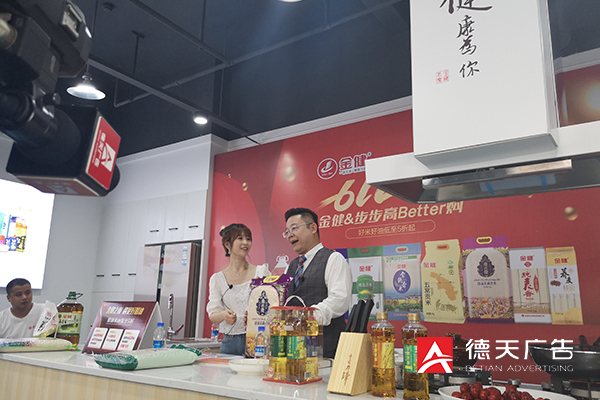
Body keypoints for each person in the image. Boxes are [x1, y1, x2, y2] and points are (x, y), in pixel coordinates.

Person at [283, 207, 352, 358]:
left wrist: (310, 316)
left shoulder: (333, 259)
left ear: (313, 228)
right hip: (294, 349)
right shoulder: (291, 266)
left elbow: (340, 299)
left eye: (294, 228)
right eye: (286, 232)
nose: (290, 235)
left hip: (326, 349)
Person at [206, 223, 269, 355]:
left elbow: (272, 305)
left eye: (248, 239)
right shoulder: (218, 279)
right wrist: (224, 315)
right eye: (240, 238)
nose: (245, 242)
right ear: (227, 245)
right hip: (230, 341)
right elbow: (213, 314)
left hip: (258, 339)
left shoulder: (262, 272)